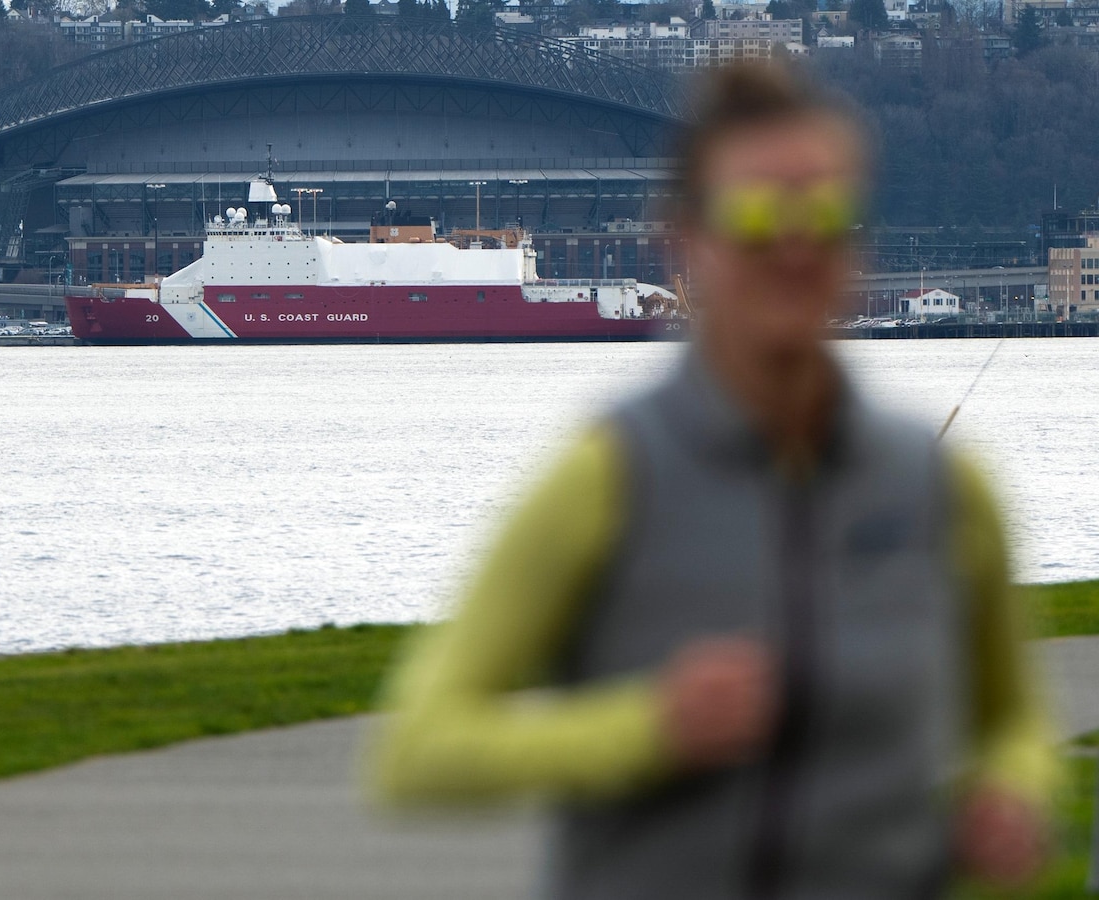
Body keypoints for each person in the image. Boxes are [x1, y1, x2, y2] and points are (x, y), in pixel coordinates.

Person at [367, 61, 1059, 899]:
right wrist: (649, 727)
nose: (796, 244)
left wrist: (1014, 792)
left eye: (828, 212)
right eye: (758, 212)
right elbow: (420, 747)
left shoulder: (940, 486)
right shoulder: (610, 476)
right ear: (686, 237)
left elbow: (1015, 722)